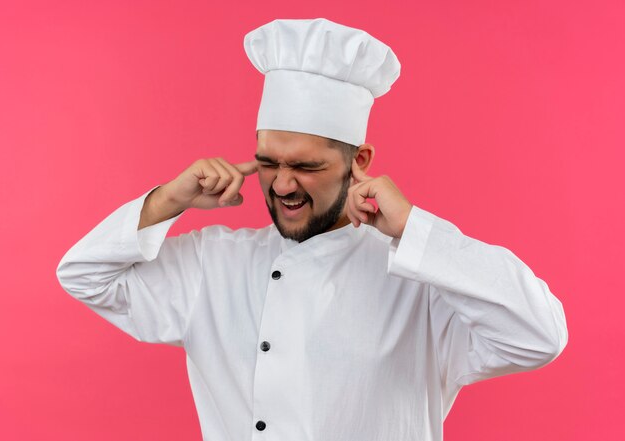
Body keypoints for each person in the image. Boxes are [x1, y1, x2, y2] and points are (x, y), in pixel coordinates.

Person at [57, 18, 568, 441]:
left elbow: (538, 336)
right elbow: (83, 275)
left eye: (305, 166)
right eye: (267, 162)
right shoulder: (212, 264)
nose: (281, 185)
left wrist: (412, 227)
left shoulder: (422, 280)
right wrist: (169, 200)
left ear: (360, 160)